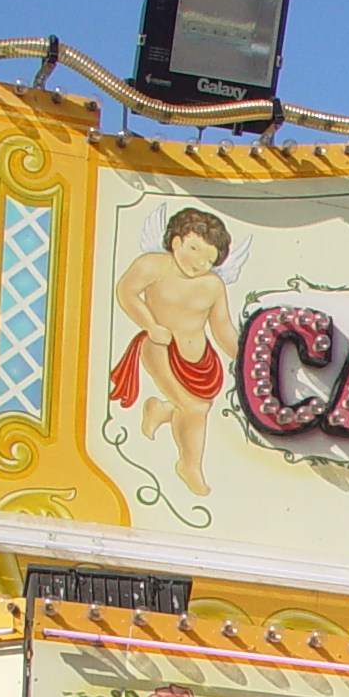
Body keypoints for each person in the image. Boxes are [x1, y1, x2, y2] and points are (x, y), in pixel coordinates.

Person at [111, 204, 241, 494]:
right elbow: (126, 291)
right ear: (177, 240)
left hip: (201, 361)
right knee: (194, 408)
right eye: (194, 249)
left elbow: (222, 327)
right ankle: (189, 466)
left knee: (197, 407)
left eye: (209, 259)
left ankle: (161, 410)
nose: (199, 263)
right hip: (160, 346)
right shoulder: (152, 265)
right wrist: (149, 325)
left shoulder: (213, 284)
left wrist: (243, 358)